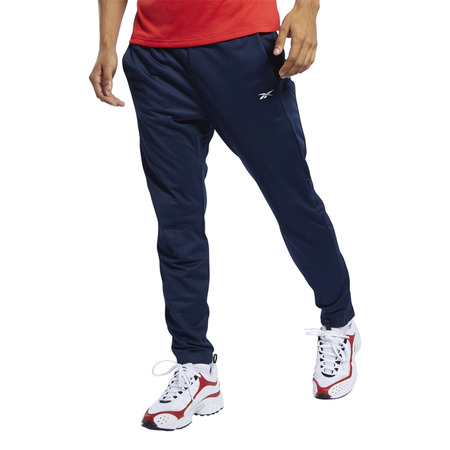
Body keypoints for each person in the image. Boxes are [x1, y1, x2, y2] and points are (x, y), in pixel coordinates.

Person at [89, 0, 361, 431]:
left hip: (243, 48)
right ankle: (195, 364)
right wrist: (107, 43)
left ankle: (340, 320)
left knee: (292, 201)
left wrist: (307, 8)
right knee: (177, 223)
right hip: (156, 60)